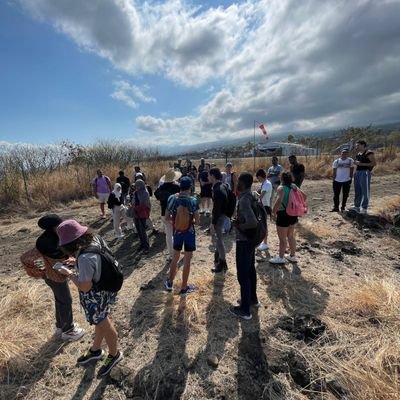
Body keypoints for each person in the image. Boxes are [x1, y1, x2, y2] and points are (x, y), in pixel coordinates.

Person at [56, 220, 123, 377]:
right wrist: (76, 260)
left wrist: (70, 273)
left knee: (104, 323)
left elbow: (85, 287)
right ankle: (96, 350)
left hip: (96, 295)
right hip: (106, 288)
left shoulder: (85, 258)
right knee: (99, 320)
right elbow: (98, 258)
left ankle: (114, 354)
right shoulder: (95, 239)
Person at [29, 214, 84, 341]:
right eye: (58, 225)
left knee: (60, 300)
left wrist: (43, 272)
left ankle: (60, 327)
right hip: (56, 276)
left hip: (52, 275)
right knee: (66, 301)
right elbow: (26, 258)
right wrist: (40, 271)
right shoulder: (47, 242)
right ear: (52, 227)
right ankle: (68, 330)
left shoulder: (47, 238)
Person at [230, 172, 259, 320]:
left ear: (242, 183)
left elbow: (253, 222)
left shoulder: (245, 200)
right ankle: (252, 299)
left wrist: (238, 224)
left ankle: (245, 310)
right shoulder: (252, 195)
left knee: (243, 275)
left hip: (244, 240)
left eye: (238, 181)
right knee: (250, 270)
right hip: (251, 240)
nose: (236, 183)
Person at [164, 177, 200, 296]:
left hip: (177, 232)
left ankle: (169, 282)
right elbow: (198, 221)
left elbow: (167, 217)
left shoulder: (172, 198)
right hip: (189, 233)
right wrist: (190, 221)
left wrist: (175, 221)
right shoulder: (193, 200)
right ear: (190, 187)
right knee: (187, 260)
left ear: (180, 186)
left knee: (175, 257)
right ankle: (184, 288)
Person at [269, 172, 306, 264]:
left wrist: (273, 213)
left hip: (283, 214)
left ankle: (281, 258)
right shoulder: (294, 187)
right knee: (290, 235)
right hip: (293, 214)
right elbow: (304, 196)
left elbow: (278, 201)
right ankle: (292, 256)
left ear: (282, 179)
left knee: (282, 239)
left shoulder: (281, 188)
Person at [154, 168, 181, 261]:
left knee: (168, 235)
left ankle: (171, 255)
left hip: (164, 213)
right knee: (180, 232)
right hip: (176, 213)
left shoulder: (160, 188)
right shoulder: (177, 187)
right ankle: (182, 250)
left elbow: (156, 196)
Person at [209, 167, 229, 273]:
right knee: (218, 239)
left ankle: (222, 263)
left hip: (219, 216)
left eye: (209, 175)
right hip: (224, 215)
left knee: (219, 239)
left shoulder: (217, 189)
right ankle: (218, 259)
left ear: (212, 176)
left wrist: (213, 223)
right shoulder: (223, 185)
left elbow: (216, 209)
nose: (208, 177)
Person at [351, 140, 376, 214]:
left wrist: (361, 164)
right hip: (357, 173)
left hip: (365, 172)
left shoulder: (369, 153)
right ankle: (357, 206)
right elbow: (358, 163)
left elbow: (374, 163)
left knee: (365, 190)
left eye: (358, 145)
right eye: (356, 145)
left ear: (363, 145)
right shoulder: (358, 153)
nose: (356, 147)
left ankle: (364, 208)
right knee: (357, 190)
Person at [132, 179, 151, 253]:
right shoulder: (135, 193)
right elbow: (133, 201)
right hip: (136, 213)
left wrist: (138, 207)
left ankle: (146, 246)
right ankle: (142, 244)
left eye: (137, 185)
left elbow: (146, 205)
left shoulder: (145, 193)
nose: (136, 187)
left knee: (142, 230)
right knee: (138, 230)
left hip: (142, 213)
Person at [255, 169, 272, 251]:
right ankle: (263, 242)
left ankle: (265, 243)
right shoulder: (265, 183)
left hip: (265, 207)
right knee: (262, 225)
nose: (258, 180)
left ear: (260, 176)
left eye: (258, 178)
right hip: (263, 206)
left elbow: (261, 196)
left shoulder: (267, 184)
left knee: (264, 225)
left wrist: (255, 196)